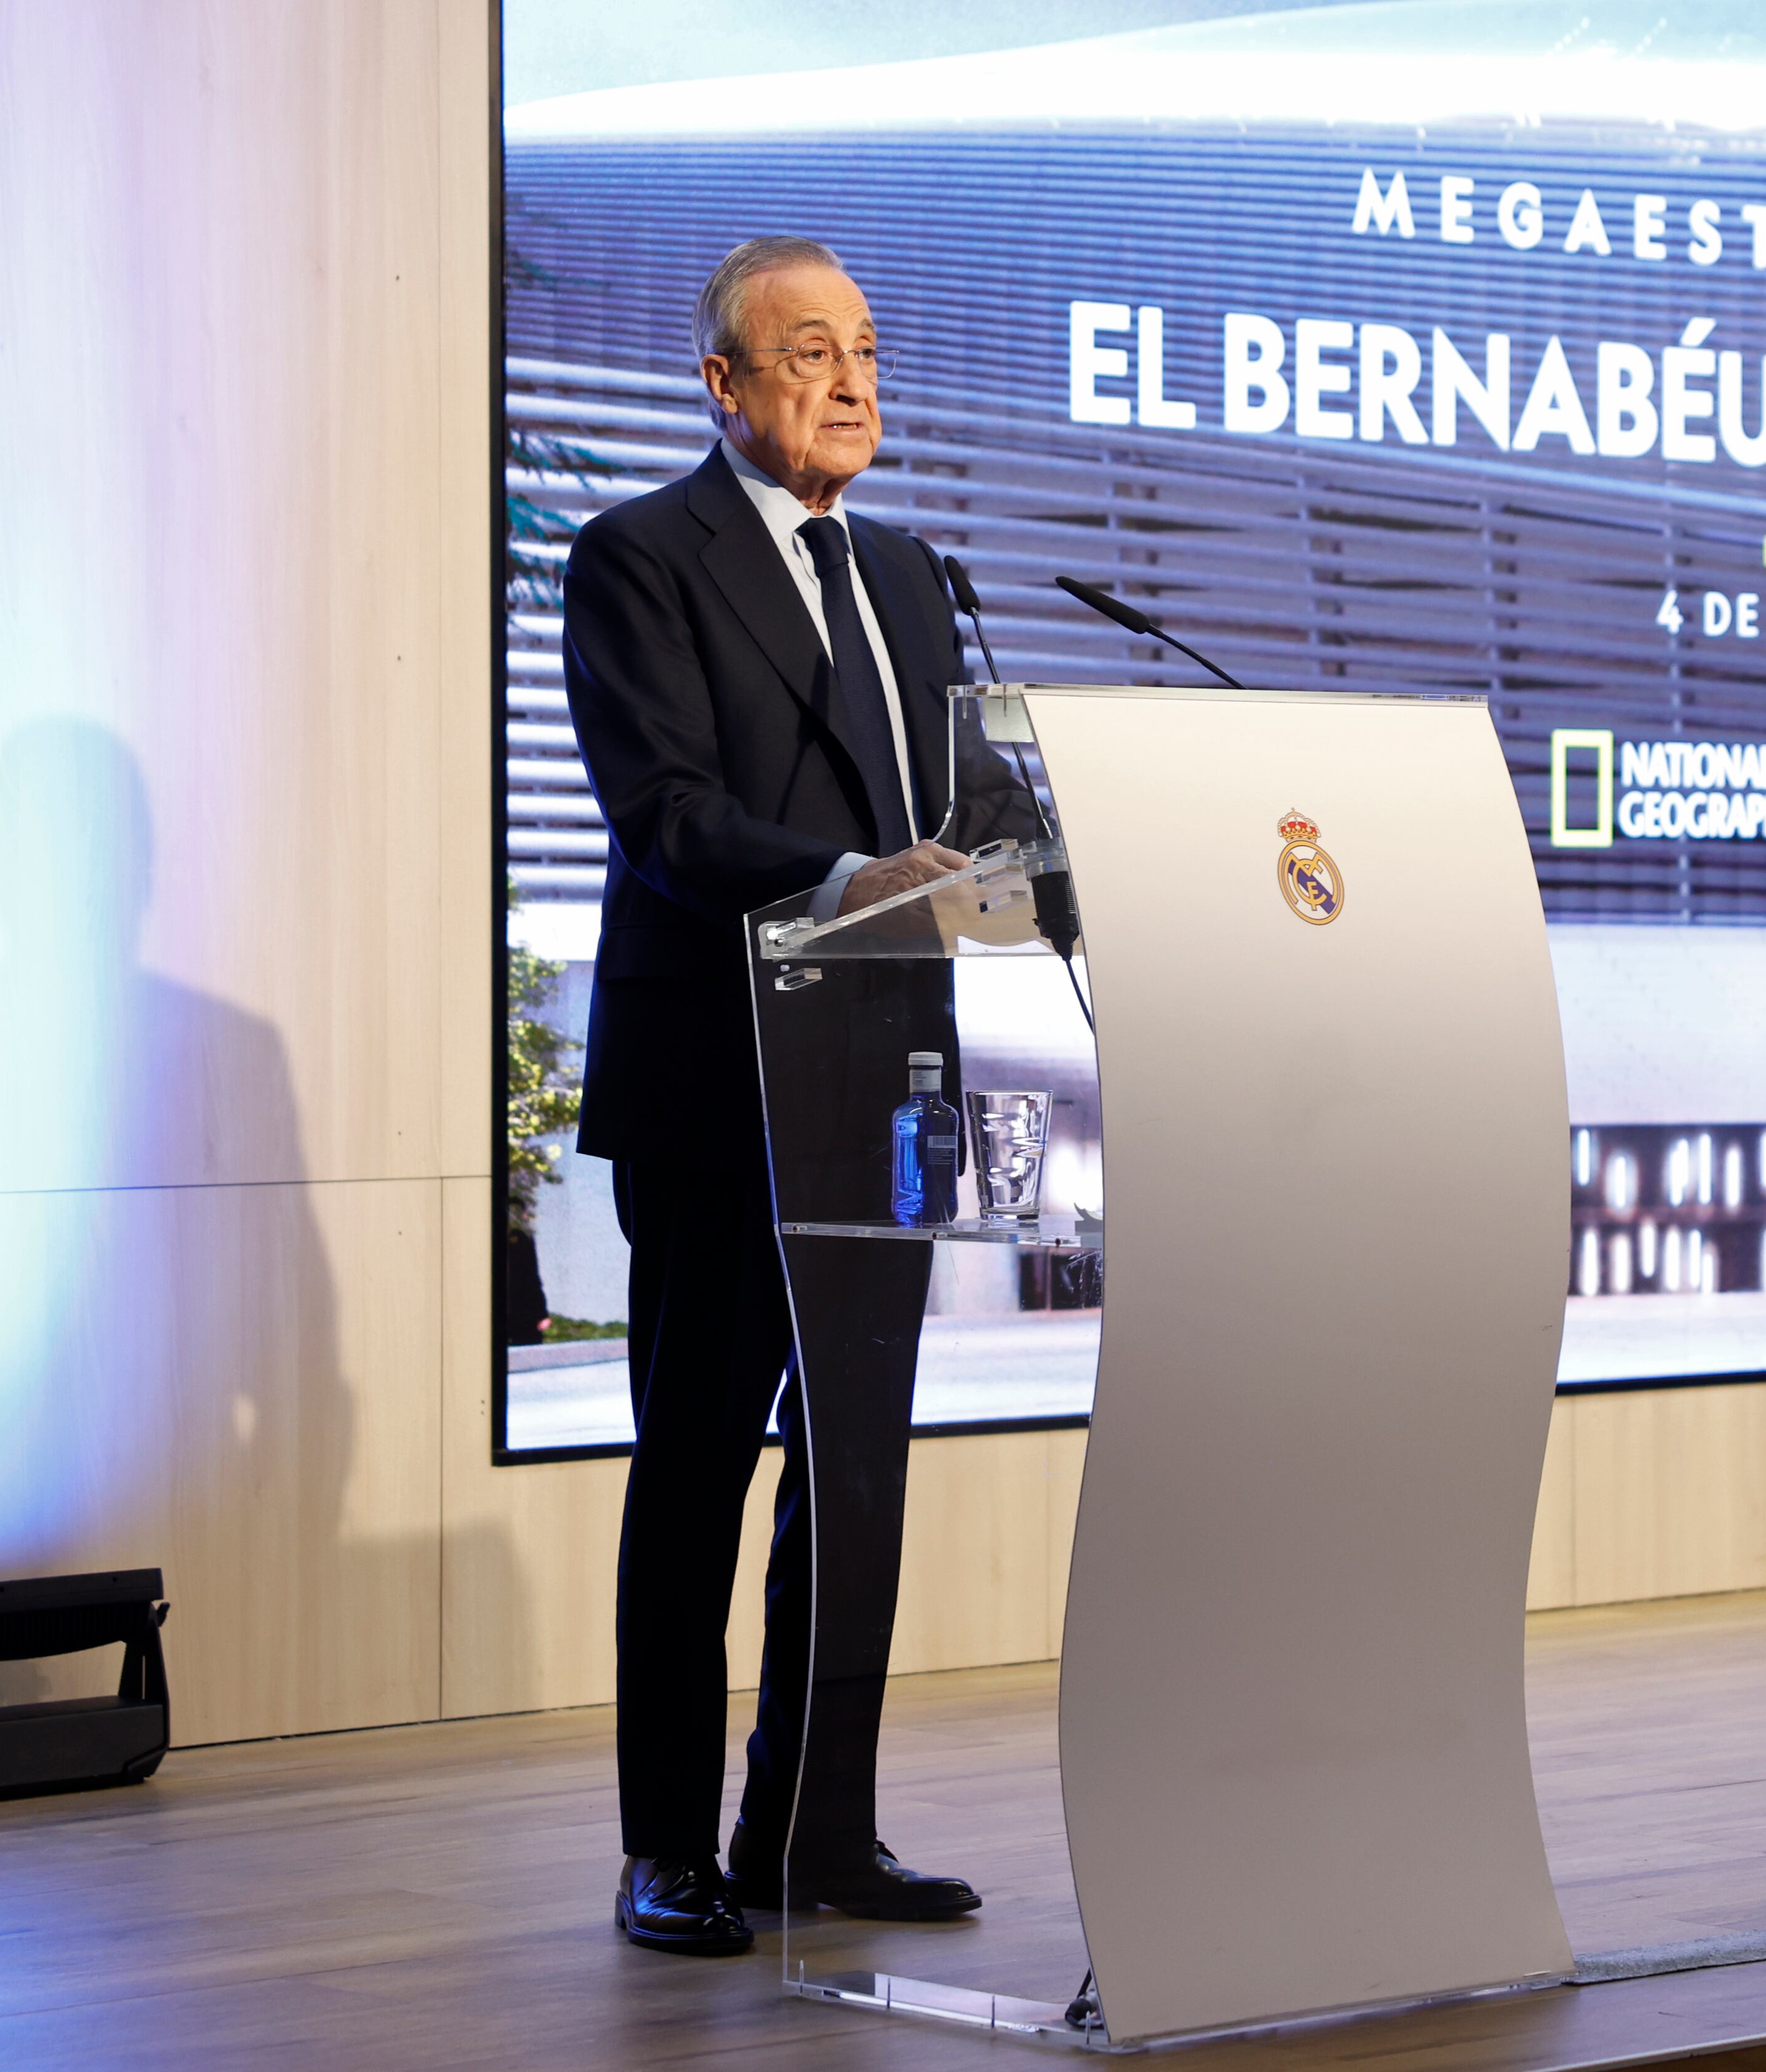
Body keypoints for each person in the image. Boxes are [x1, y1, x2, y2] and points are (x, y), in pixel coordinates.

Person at [563, 236, 1013, 1956]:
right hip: (715, 1078)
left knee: (857, 1468)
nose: (851, 378)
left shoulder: (912, 574)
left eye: (868, 349)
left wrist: (1034, 849)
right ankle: (669, 1848)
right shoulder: (638, 561)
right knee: (694, 1467)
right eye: (809, 350)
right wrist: (853, 874)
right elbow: (667, 816)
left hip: (886, 1079)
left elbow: (973, 804)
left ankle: (814, 1831)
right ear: (725, 384)